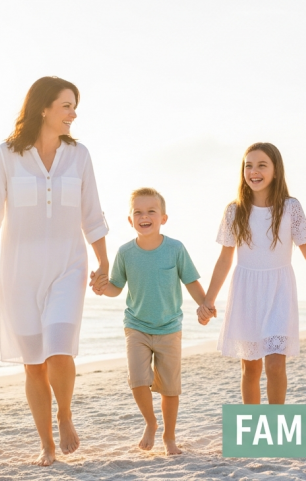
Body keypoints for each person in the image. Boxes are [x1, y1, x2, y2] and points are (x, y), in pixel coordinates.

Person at [0, 76, 110, 467]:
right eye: (66, 105)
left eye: (74, 106)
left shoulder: (79, 155)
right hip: (19, 272)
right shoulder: (7, 155)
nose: (73, 113)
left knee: (60, 349)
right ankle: (46, 443)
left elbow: (92, 214)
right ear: (43, 107)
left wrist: (103, 262)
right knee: (34, 363)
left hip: (68, 266)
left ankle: (65, 414)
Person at [199, 143, 306, 404]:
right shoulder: (234, 210)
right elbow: (224, 259)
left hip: (279, 293)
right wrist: (208, 300)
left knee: (275, 365)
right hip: (246, 293)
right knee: (250, 368)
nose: (254, 171)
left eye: (262, 165)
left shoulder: (290, 208)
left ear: (275, 170)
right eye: (248, 165)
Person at [93, 188, 207, 455]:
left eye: (151, 212)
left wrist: (204, 305)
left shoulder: (175, 249)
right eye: (138, 212)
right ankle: (150, 422)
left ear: (163, 218)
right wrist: (101, 288)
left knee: (170, 389)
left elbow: (191, 281)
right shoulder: (125, 253)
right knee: (137, 380)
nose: (145, 217)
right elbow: (115, 288)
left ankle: (169, 437)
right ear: (130, 220)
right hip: (137, 326)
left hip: (169, 328)